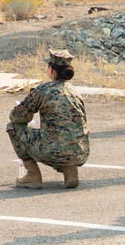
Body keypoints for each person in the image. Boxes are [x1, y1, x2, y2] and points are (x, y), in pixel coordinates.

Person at [7, 48, 89, 189]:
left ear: (51, 70)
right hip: (80, 152)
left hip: (52, 151)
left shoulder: (43, 90)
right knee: (65, 136)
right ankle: (70, 171)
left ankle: (32, 176)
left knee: (13, 127)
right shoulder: (75, 92)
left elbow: (17, 117)